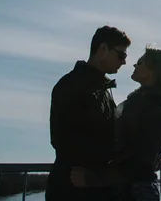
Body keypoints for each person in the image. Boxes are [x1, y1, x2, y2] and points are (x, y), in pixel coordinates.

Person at [70, 45, 161, 201]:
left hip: (136, 193)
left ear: (154, 71)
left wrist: (92, 178)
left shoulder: (155, 109)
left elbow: (140, 165)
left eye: (140, 63)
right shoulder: (141, 103)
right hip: (126, 190)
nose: (134, 64)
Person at [45, 25, 131, 201]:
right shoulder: (71, 85)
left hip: (91, 186)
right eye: (121, 55)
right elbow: (62, 139)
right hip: (72, 190)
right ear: (103, 49)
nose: (124, 62)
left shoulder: (103, 89)